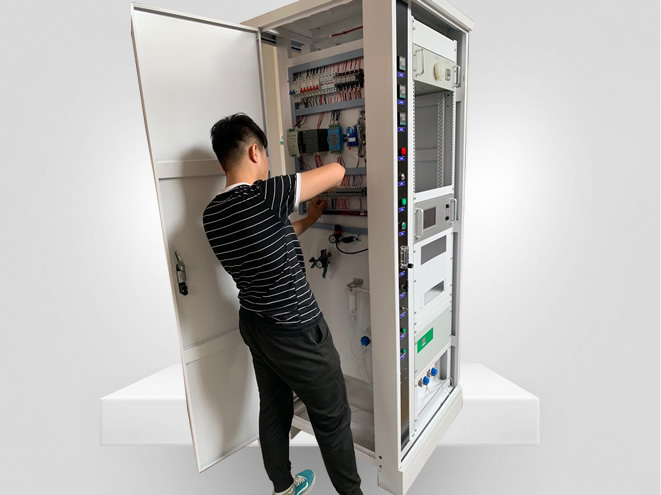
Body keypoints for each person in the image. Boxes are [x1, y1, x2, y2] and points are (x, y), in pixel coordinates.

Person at [202, 113, 363, 495]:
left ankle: (283, 487)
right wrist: (343, 148)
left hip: (257, 325)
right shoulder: (263, 194)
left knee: (274, 409)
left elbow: (273, 238)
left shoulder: (213, 214)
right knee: (333, 417)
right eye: (268, 154)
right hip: (298, 331)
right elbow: (338, 172)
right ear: (254, 152)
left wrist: (311, 218)